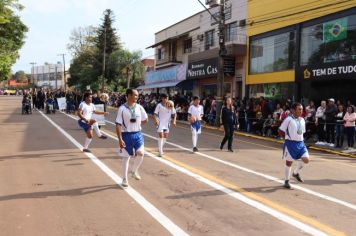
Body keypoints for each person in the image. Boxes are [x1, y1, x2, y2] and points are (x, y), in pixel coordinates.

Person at [115, 89, 148, 187]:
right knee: (126, 158)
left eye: (137, 95)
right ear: (128, 95)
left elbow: (145, 119)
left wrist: (138, 124)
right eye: (135, 95)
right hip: (126, 135)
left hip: (138, 134)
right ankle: (124, 179)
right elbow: (118, 125)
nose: (137, 97)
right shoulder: (122, 109)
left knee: (141, 153)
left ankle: (133, 171)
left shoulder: (139, 107)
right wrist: (120, 139)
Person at [279, 103, 310, 189]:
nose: (301, 111)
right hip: (290, 143)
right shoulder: (288, 119)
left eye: (301, 109)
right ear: (293, 110)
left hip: (300, 143)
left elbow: (301, 132)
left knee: (306, 159)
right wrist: (286, 139)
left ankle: (296, 173)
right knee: (289, 163)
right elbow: (281, 130)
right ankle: (286, 181)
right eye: (299, 109)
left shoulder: (302, 120)